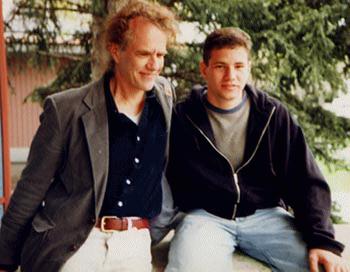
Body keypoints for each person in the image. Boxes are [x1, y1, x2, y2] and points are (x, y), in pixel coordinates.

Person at [0, 1, 178, 271]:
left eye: (161, 54)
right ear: (116, 51)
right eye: (145, 54)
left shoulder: (165, 96)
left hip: (135, 244)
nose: (155, 65)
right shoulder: (66, 109)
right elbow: (30, 188)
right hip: (77, 241)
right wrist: (4, 259)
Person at [165, 27, 349, 272]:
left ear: (249, 68)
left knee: (323, 266)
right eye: (221, 66)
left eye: (239, 66)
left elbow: (305, 179)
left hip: (266, 217)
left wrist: (322, 240)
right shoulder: (182, 117)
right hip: (205, 219)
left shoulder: (272, 115)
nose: (231, 75)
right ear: (204, 69)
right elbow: (162, 177)